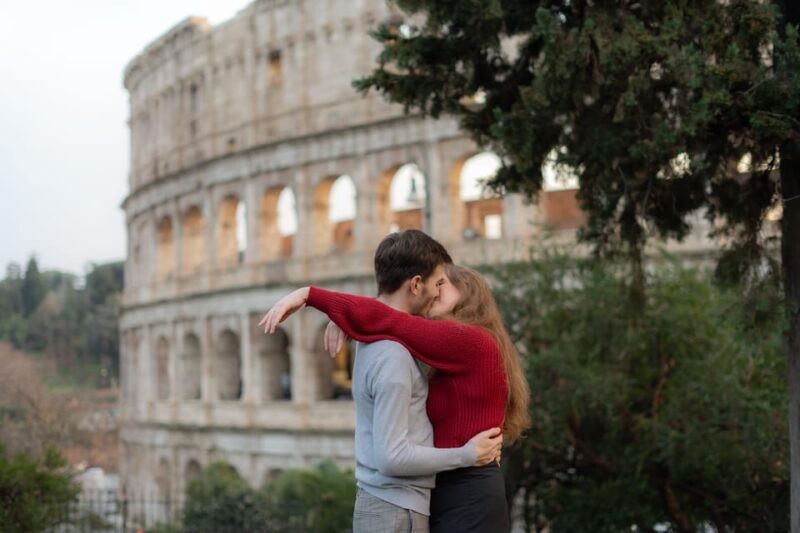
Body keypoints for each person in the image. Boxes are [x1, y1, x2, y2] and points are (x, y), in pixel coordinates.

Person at [260, 230, 503, 532]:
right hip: (411, 499)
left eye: (445, 285)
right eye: (437, 283)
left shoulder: (470, 342)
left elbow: (390, 319)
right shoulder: (394, 354)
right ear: (416, 284)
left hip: (460, 491)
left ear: (468, 297)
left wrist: (327, 305)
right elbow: (393, 457)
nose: (438, 291)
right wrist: (343, 314)